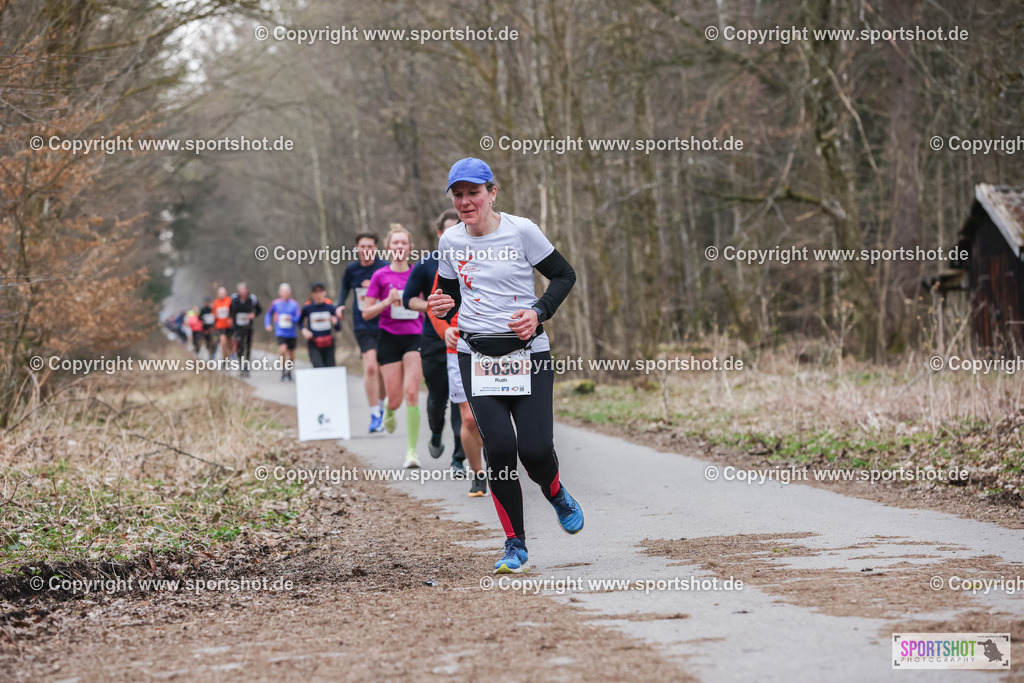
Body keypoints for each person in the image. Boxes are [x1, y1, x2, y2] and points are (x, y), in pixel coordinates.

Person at [429, 157, 583, 574]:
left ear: (492, 193)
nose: (465, 202)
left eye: (473, 193)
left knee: (533, 450)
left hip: (527, 354)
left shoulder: (522, 230)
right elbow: (449, 293)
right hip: (476, 355)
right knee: (499, 448)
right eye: (458, 195)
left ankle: (555, 493)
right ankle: (515, 543)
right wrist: (443, 305)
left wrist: (538, 312)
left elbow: (564, 275)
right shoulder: (450, 241)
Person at [404, 208, 466, 475]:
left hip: (464, 339)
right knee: (438, 399)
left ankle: (458, 457)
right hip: (433, 340)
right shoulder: (426, 264)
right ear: (440, 234)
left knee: (461, 400)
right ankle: (436, 433)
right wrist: (432, 305)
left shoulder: (472, 261)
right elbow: (409, 299)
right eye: (448, 231)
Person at [362, 224, 424, 469]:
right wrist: (387, 301)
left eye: (404, 243)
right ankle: (388, 408)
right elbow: (366, 312)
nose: (400, 247)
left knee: (411, 393)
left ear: (410, 248)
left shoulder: (418, 273)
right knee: (396, 399)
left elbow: (429, 302)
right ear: (388, 248)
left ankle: (411, 453)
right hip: (388, 337)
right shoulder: (380, 276)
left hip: (415, 337)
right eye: (395, 243)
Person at [427, 276, 487, 497]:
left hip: (498, 346)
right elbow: (432, 305)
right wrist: (444, 330)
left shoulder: (505, 249)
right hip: (459, 348)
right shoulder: (452, 256)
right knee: (470, 418)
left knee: (494, 414)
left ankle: (502, 473)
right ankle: (478, 474)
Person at [339, 233, 389, 433]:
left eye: (370, 246)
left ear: (376, 248)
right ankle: (375, 413)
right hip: (362, 325)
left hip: (385, 324)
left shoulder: (384, 267)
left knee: (384, 371)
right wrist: (339, 305)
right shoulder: (352, 269)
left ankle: (381, 405)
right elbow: (343, 288)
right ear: (357, 249)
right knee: (370, 367)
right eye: (362, 246)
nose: (366, 249)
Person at [299, 283, 341, 367]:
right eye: (316, 292)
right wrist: (304, 330)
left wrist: (335, 322)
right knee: (319, 367)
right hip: (314, 343)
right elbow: (299, 322)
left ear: (324, 292)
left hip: (328, 343)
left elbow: (338, 328)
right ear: (312, 294)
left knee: (330, 369)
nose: (318, 294)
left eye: (320, 291)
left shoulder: (331, 308)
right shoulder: (307, 308)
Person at [265, 283, 300, 381]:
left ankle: (289, 370)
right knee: (282, 350)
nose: (284, 293)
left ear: (289, 293)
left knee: (292, 354)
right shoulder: (275, 303)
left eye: (286, 292)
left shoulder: (294, 304)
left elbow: (298, 318)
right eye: (282, 292)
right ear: (280, 293)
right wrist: (267, 324)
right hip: (281, 332)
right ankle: (283, 370)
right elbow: (268, 314)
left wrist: (292, 318)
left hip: (292, 333)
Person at [229, 282, 261, 377]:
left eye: (244, 289)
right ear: (238, 291)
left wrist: (253, 315)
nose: (243, 292)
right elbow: (229, 310)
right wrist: (231, 319)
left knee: (247, 346)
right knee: (239, 345)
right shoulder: (234, 299)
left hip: (248, 327)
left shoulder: (252, 299)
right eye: (241, 290)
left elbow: (259, 309)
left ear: (246, 290)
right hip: (237, 327)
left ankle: (246, 366)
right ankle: (241, 365)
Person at [212, 287, 234, 359]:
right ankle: (225, 359)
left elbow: (233, 311)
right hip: (220, 326)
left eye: (223, 293)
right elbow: (214, 314)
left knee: (229, 344)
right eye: (220, 294)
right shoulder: (215, 302)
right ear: (218, 294)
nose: (222, 295)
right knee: (223, 342)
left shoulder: (229, 301)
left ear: (226, 294)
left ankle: (228, 355)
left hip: (229, 326)